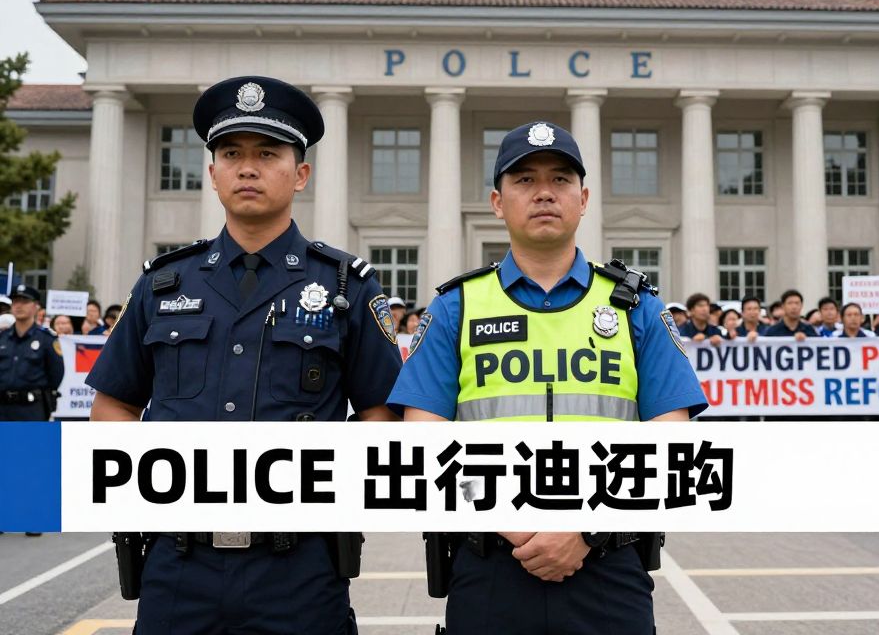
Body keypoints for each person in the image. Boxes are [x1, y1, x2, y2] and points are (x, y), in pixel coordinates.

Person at [86, 75, 403, 634]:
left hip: (300, 566)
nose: (247, 167)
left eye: (268, 153)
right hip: (179, 563)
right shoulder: (163, 285)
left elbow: (382, 415)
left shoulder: (347, 286)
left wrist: (327, 481)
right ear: (212, 173)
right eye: (231, 153)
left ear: (301, 173)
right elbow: (113, 406)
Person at [387, 120, 707, 635]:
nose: (543, 193)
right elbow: (422, 442)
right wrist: (517, 527)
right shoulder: (455, 307)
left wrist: (583, 528)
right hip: (488, 565)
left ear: (583, 199)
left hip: (608, 567)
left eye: (560, 180)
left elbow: (673, 442)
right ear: (497, 201)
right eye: (524, 180)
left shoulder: (635, 308)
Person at [0, 284, 64, 423]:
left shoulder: (47, 339)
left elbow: (56, 374)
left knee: (30, 444)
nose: (19, 305)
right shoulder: (3, 338)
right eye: (16, 301)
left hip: (32, 409)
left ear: (36, 306)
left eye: (25, 301)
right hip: (3, 409)